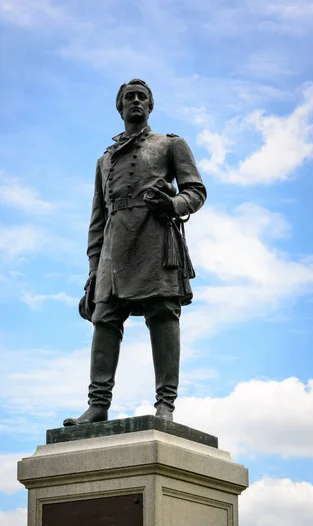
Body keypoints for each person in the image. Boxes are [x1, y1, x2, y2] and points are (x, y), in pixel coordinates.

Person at [64, 79, 206, 425]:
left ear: (150, 106)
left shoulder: (170, 145)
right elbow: (97, 220)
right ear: (120, 107)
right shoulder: (105, 160)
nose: (136, 101)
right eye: (130, 97)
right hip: (114, 247)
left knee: (162, 315)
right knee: (105, 319)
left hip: (155, 239)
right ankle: (98, 405)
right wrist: (93, 270)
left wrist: (172, 204)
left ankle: (165, 405)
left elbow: (196, 191)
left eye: (143, 97)